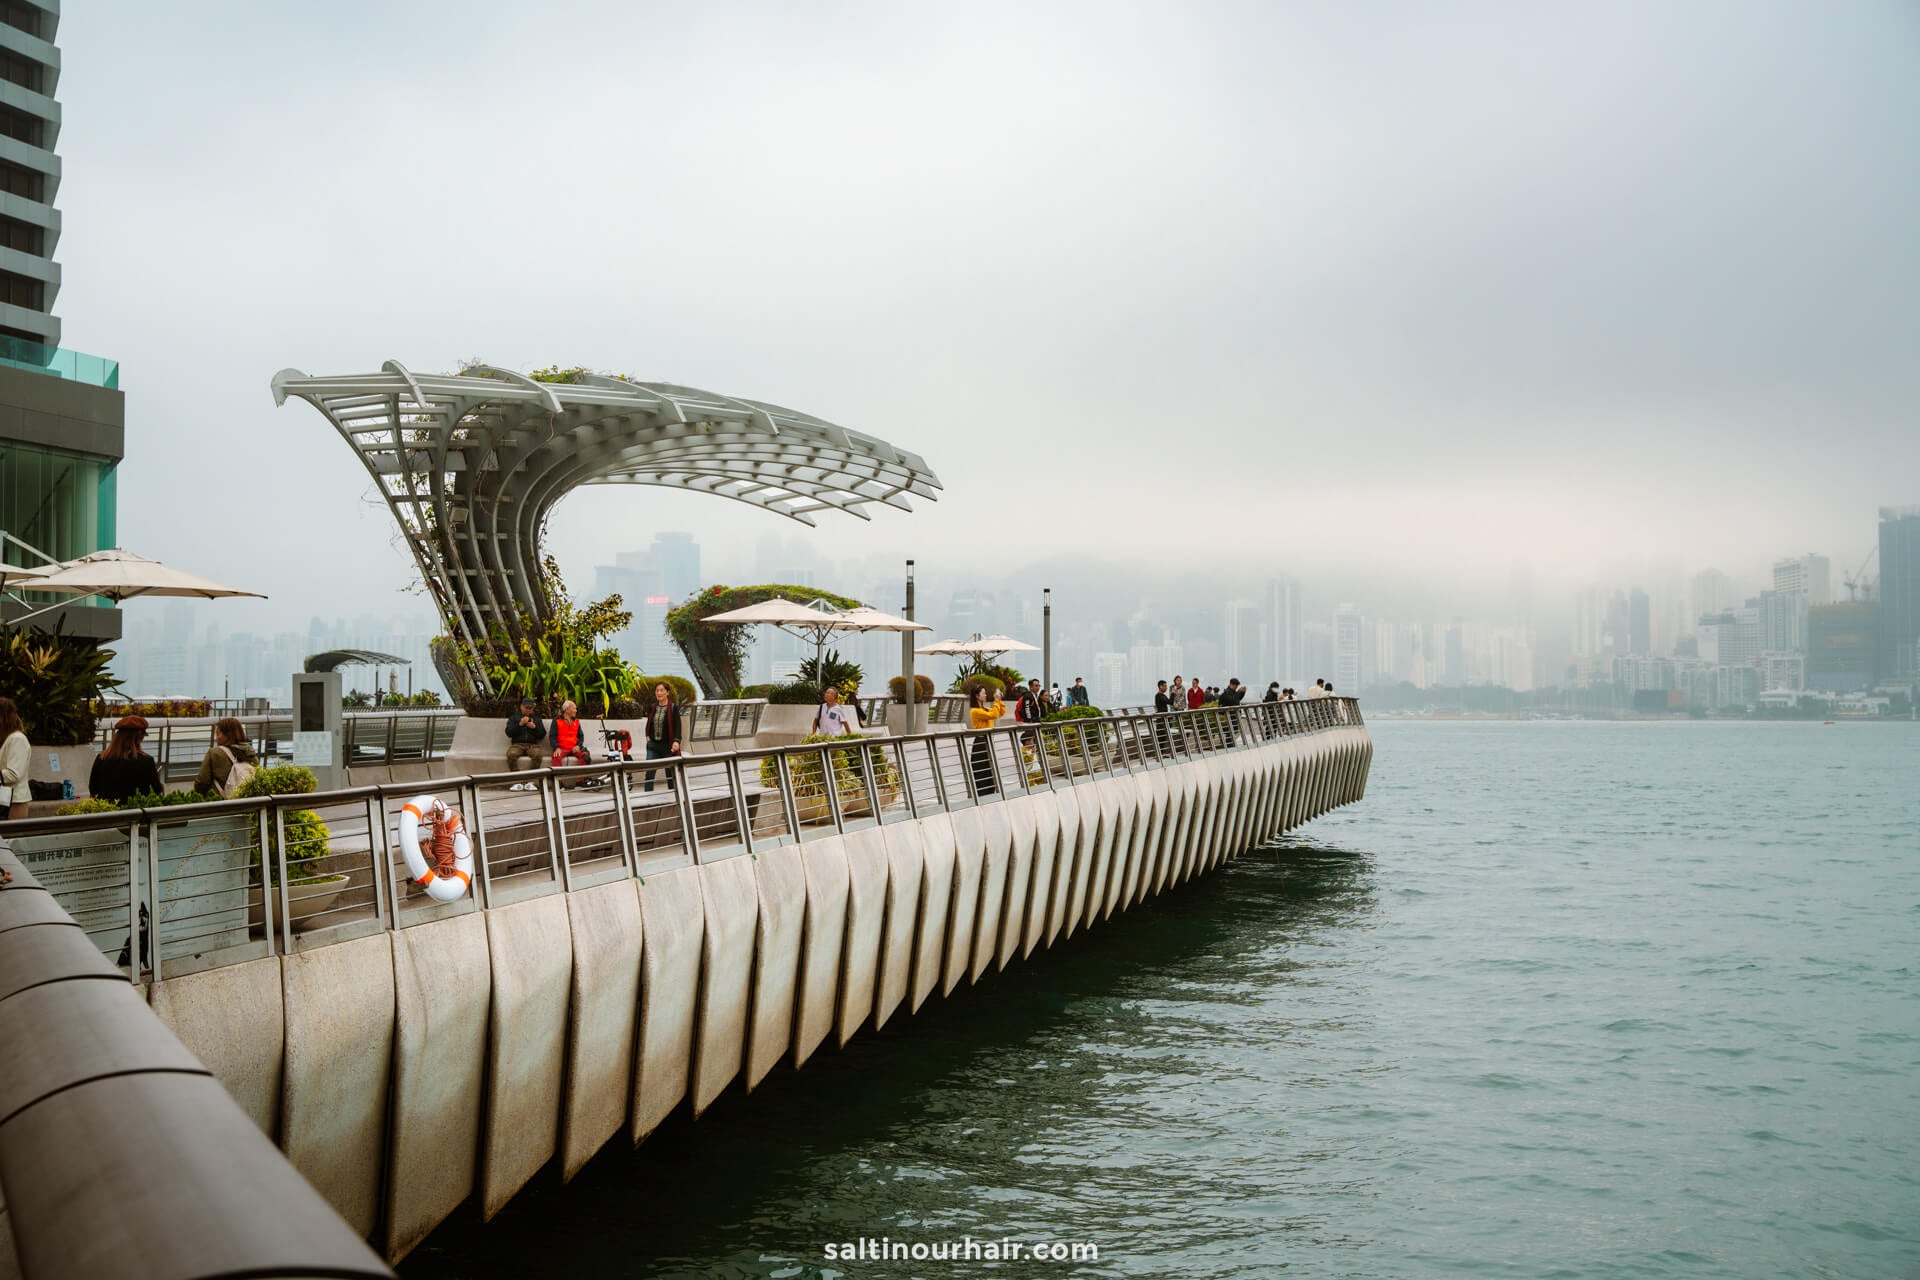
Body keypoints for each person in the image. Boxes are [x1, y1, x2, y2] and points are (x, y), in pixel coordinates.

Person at [90, 714, 163, 803]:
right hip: (134, 810)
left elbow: (93, 789)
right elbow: (156, 791)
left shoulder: (101, 758)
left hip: (105, 809)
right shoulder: (146, 761)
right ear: (139, 736)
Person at [193, 718, 259, 798]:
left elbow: (202, 781)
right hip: (248, 800)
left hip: (220, 801)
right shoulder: (250, 752)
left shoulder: (214, 753)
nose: (216, 738)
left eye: (218, 734)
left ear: (227, 735)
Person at [642, 681, 682, 793]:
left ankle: (674, 797)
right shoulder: (652, 707)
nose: (659, 693)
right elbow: (649, 723)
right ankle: (647, 797)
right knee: (649, 773)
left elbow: (678, 726)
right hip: (653, 746)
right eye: (657, 691)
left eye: (661, 690)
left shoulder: (673, 708)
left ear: (667, 692)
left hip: (668, 746)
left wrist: (677, 741)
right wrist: (647, 736)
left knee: (670, 775)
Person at [967, 685, 1007, 795]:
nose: (985, 695)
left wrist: (999, 700)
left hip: (988, 742)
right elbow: (993, 714)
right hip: (980, 743)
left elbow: (1000, 712)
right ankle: (981, 794)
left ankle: (989, 793)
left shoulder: (985, 709)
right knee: (981, 771)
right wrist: (996, 701)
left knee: (990, 771)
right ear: (977, 696)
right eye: (983, 693)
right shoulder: (975, 711)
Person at [0, 696, 30, 821]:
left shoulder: (17, 739)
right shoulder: (9, 739)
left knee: (12, 834)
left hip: (14, 802)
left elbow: (13, 774)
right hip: (7, 800)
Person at [504, 698, 545, 771]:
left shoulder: (537, 719)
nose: (528, 710)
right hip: (517, 745)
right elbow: (509, 733)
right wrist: (520, 725)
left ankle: (531, 775)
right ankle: (516, 775)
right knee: (511, 754)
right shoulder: (513, 718)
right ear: (521, 707)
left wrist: (534, 727)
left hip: (532, 745)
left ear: (533, 708)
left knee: (538, 754)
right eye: (526, 707)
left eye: (530, 708)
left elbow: (542, 735)